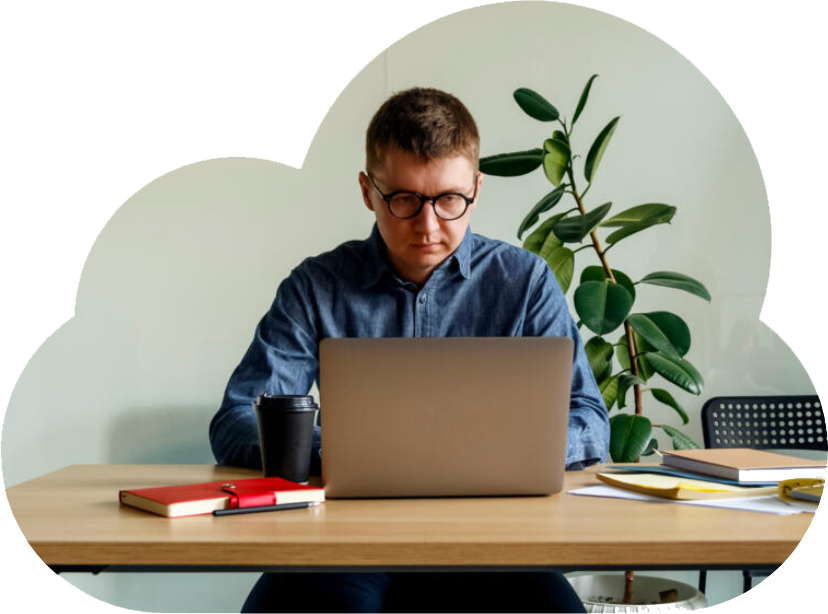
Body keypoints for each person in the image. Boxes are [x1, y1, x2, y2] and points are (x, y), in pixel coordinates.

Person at [210, 87, 609, 613]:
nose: (427, 226)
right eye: (404, 200)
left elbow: (590, 420)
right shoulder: (316, 286)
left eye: (449, 200)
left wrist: (495, 453)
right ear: (367, 190)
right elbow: (237, 418)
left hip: (497, 543)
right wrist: (339, 452)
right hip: (343, 542)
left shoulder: (526, 281)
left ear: (476, 188)